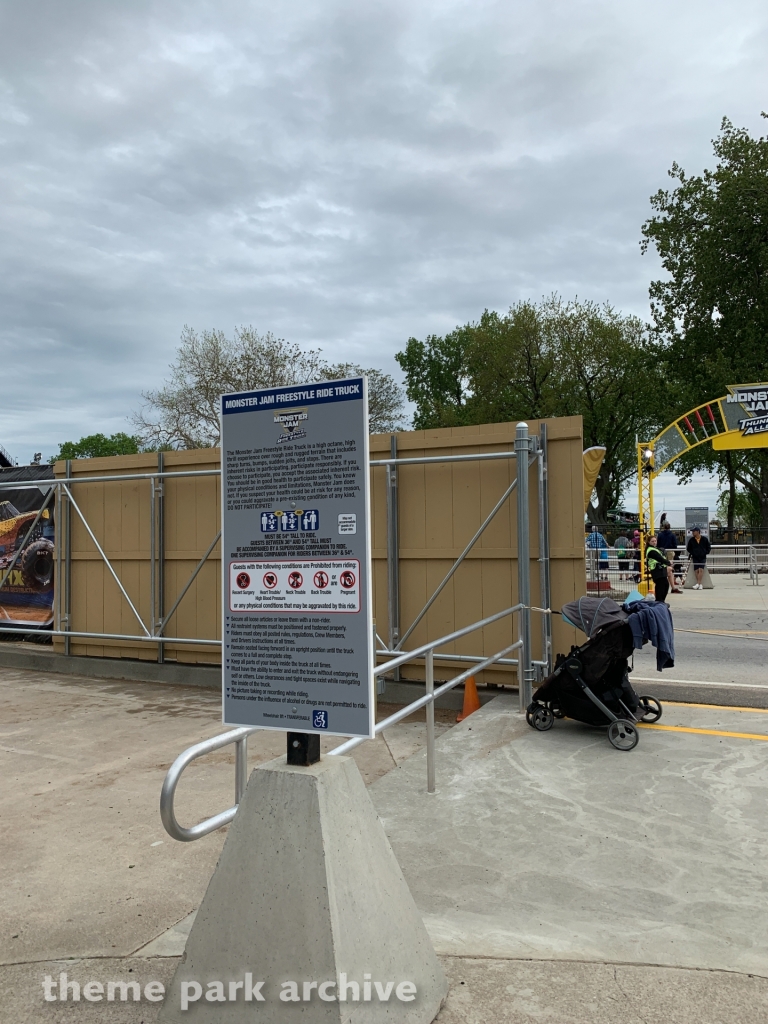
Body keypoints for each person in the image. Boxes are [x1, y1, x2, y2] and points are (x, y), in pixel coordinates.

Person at [657, 522, 683, 593]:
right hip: (670, 551)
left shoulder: (660, 534)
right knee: (670, 567)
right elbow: (675, 544)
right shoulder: (672, 535)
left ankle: (664, 584)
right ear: (669, 527)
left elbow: (658, 544)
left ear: (663, 527)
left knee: (663, 567)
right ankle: (672, 586)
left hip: (661, 552)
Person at [645, 535, 672, 603]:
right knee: (661, 586)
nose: (654, 542)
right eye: (652, 541)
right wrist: (668, 562)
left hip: (661, 570)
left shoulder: (655, 549)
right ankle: (659, 601)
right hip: (657, 570)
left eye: (655, 541)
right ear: (649, 542)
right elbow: (659, 558)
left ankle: (661, 601)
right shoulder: (651, 550)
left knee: (665, 585)